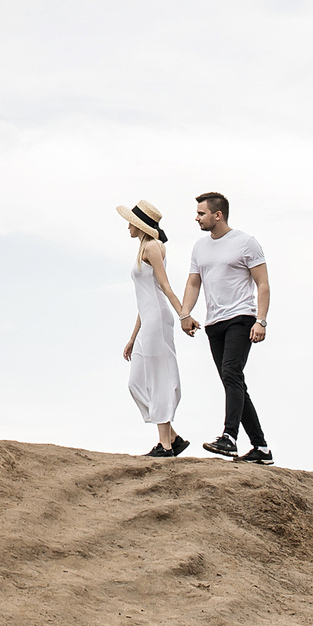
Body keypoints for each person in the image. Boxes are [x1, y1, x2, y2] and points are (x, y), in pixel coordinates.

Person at [178, 190, 272, 464]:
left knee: (232, 374)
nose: (196, 218)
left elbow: (263, 284)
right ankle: (261, 449)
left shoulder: (245, 243)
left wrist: (261, 320)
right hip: (213, 323)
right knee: (233, 382)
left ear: (217, 215)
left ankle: (229, 437)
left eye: (201, 213)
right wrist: (186, 313)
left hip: (241, 318)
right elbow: (194, 283)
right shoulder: (199, 247)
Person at [118, 201, 192, 456]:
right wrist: (132, 337)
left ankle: (165, 446)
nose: (127, 226)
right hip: (148, 321)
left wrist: (185, 315)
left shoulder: (151, 247)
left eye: (131, 222)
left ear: (141, 225)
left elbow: (164, 287)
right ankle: (173, 437)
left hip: (159, 320)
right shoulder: (143, 250)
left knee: (158, 379)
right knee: (136, 382)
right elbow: (144, 298)